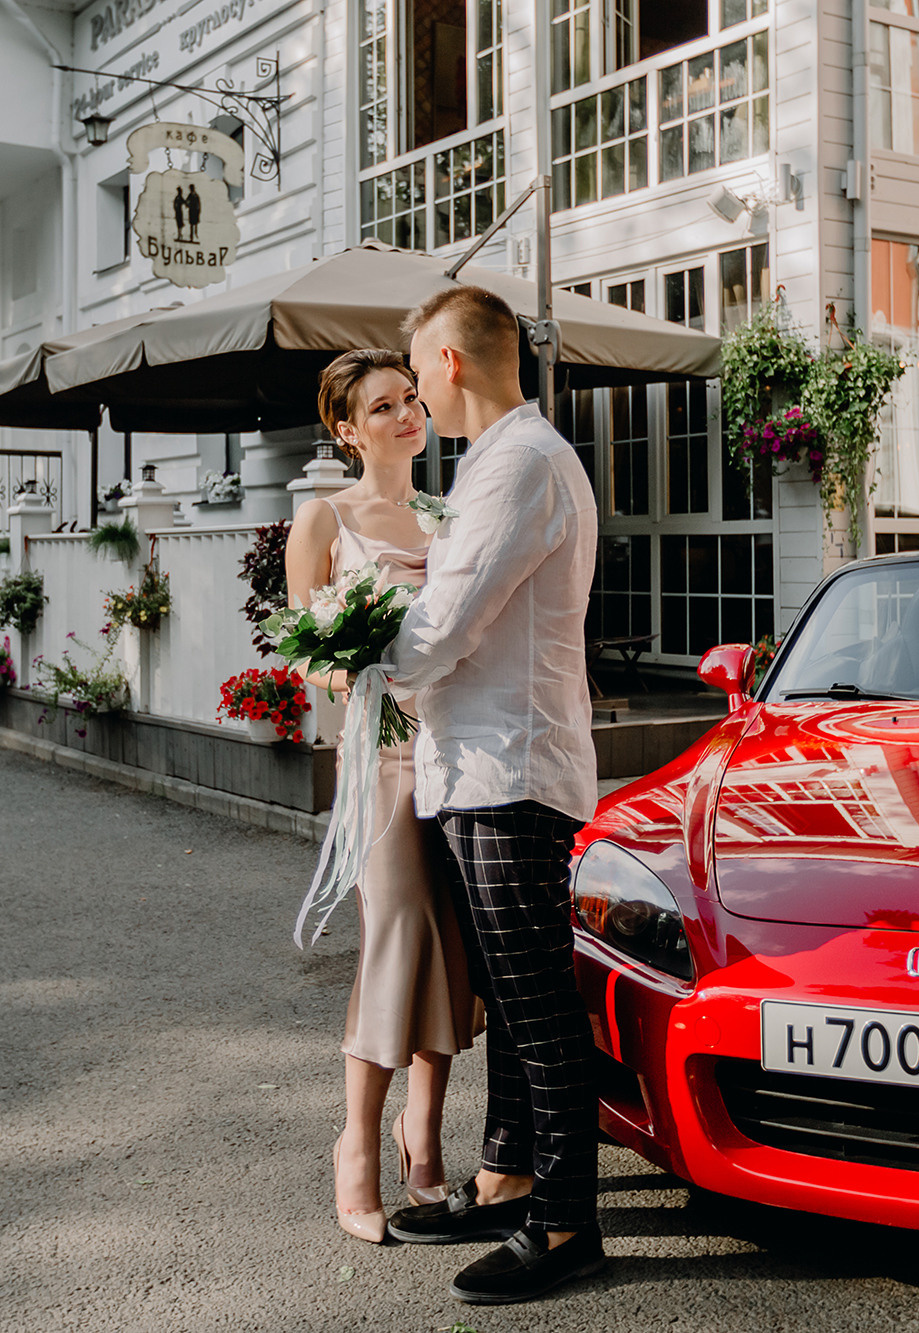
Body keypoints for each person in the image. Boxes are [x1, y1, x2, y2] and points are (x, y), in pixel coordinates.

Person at [381, 286, 603, 1305]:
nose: (418, 389)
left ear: (449, 360)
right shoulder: (505, 459)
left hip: (507, 769)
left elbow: (449, 618)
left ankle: (564, 1222)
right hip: (487, 762)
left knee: (534, 1001)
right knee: (510, 1002)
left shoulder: (516, 461)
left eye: (417, 367)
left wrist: (365, 652)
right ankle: (509, 1172)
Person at [284, 349, 483, 1246]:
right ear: (346, 427)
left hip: (459, 749)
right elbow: (303, 654)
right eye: (384, 406)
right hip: (379, 753)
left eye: (411, 399)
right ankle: (356, 1141)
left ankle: (425, 1131)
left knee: (453, 938)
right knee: (397, 932)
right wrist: (354, 666)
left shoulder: (448, 515)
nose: (408, 415)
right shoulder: (322, 519)